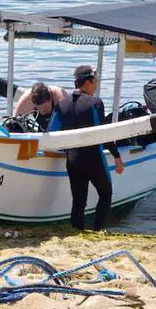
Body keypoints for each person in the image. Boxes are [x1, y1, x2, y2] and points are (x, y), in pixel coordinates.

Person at [49, 65, 125, 231]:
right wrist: (117, 156)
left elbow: (52, 132)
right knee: (105, 193)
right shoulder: (95, 103)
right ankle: (99, 229)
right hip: (93, 158)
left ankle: (77, 230)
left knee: (78, 201)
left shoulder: (62, 103)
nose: (97, 84)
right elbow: (103, 133)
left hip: (73, 159)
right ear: (89, 82)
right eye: (96, 81)